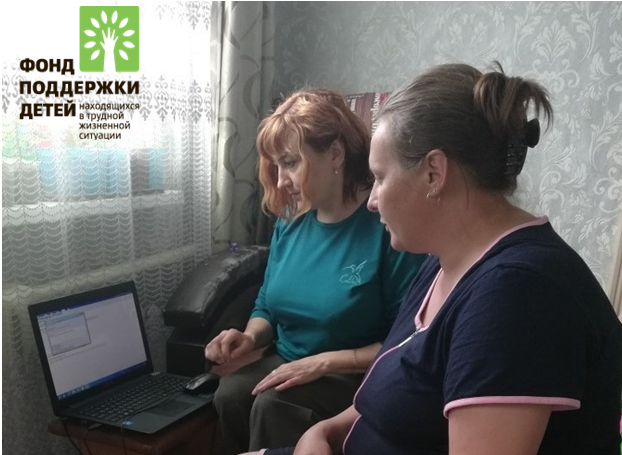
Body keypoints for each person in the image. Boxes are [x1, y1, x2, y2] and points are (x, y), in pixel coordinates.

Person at [252, 64, 622, 455]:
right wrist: (324, 432)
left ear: (434, 173)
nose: (372, 201)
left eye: (380, 177)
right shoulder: (444, 261)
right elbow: (386, 395)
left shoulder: (518, 295)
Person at [205, 88, 427, 454]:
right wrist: (249, 336)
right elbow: (267, 302)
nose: (280, 180)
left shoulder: (387, 227)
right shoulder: (290, 220)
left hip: (354, 373)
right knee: (229, 395)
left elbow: (406, 341)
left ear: (335, 154)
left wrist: (323, 363)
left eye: (290, 163)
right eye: (275, 165)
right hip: (289, 359)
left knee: (274, 405)